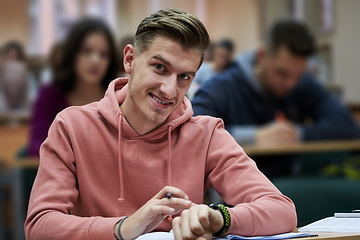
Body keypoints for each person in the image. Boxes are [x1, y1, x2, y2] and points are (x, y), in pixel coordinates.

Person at [25, 9, 296, 240]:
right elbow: (40, 225)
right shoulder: (72, 126)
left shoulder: (207, 133)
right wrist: (124, 227)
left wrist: (220, 218)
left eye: (185, 76)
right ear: (130, 60)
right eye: (159, 68)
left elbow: (281, 210)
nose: (169, 90)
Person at [192, 20, 360, 178]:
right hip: (235, 191)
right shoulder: (219, 88)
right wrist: (254, 137)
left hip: (291, 182)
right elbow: (195, 137)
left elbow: (346, 125)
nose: (290, 84)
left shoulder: (302, 83)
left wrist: (296, 134)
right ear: (261, 56)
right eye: (282, 73)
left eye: (298, 76)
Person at [27, 18, 119, 157]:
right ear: (72, 53)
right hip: (61, 176)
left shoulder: (119, 98)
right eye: (87, 51)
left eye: (103, 54)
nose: (95, 60)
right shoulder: (49, 95)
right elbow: (36, 146)